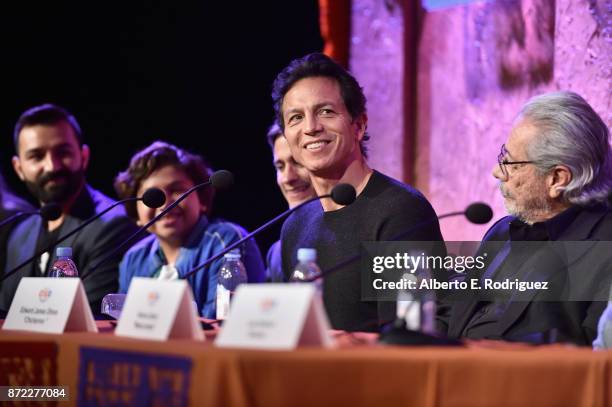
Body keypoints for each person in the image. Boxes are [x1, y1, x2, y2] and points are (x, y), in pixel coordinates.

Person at [273, 53, 444, 332]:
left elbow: (406, 336)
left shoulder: (400, 211)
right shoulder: (295, 226)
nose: (311, 127)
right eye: (296, 118)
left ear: (359, 124)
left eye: (326, 112)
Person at [439, 91, 612, 345]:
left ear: (557, 179)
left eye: (511, 162)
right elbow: (454, 311)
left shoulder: (604, 245)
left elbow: (593, 359)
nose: (497, 172)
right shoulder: (501, 232)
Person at [1, 104, 139, 313]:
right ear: (19, 168)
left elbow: (90, 317)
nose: (52, 166)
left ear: (83, 157)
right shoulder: (19, 233)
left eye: (62, 152)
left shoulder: (112, 225)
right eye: (36, 156)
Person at [114, 141, 266, 318]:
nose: (165, 204)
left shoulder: (226, 242)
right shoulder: (134, 258)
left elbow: (219, 323)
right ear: (137, 214)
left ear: (201, 200)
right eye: (153, 196)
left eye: (177, 190)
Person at [265, 121, 316, 282]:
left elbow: (392, 304)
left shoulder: (368, 227)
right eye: (280, 167)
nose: (288, 178)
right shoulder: (277, 253)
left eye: (298, 163)